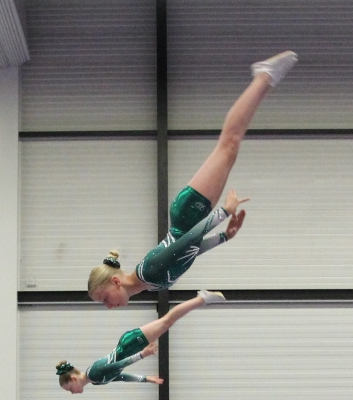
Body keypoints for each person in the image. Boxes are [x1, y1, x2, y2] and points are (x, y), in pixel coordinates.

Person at [87, 51, 298, 309]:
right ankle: (264, 78)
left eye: (105, 299)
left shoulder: (149, 272)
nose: (109, 306)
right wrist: (224, 238)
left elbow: (186, 240)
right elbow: (190, 252)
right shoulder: (150, 282)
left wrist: (222, 214)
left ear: (116, 283)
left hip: (188, 213)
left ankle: (264, 75)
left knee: (228, 144)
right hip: (191, 217)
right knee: (230, 147)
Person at [57, 291, 225, 393]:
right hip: (129, 344)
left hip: (130, 344)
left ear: (73, 379)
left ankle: (201, 298)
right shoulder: (94, 381)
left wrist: (142, 355)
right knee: (166, 322)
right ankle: (200, 299)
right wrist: (145, 379)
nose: (73, 393)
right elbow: (120, 376)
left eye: (70, 389)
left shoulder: (93, 372)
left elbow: (119, 364)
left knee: (166, 321)